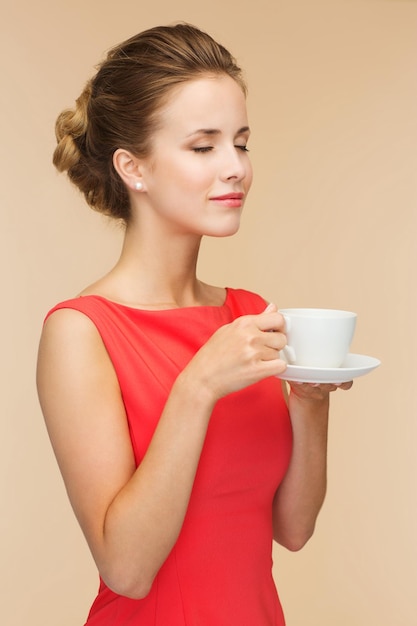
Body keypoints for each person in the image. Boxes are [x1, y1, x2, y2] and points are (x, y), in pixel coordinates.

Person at [36, 23, 352, 626]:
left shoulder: (247, 314)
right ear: (134, 167)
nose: (234, 167)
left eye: (242, 142)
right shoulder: (81, 332)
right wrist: (197, 387)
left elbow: (293, 528)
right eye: (204, 147)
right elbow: (125, 570)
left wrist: (310, 401)